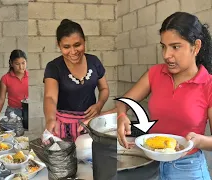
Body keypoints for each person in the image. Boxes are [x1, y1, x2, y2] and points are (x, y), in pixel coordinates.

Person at [117, 12, 212, 179]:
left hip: (187, 168)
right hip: (152, 165)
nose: (166, 55)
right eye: (163, 46)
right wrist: (122, 115)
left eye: (175, 47)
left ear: (196, 47)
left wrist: (197, 141)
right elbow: (125, 101)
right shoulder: (155, 73)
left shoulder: (209, 85)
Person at [43, 19, 110, 142]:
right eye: (66, 47)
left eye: (77, 45)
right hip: (63, 127)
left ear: (84, 41)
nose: (73, 52)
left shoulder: (94, 62)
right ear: (59, 46)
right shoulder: (54, 67)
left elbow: (104, 88)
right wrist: (50, 119)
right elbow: (50, 97)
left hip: (89, 123)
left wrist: (99, 105)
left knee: (90, 157)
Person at [0, 49, 28, 127]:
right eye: (17, 64)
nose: (21, 67)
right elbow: (1, 99)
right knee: (12, 135)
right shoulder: (5, 78)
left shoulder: (30, 77)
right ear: (11, 63)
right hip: (12, 113)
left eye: (23, 63)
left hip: (28, 112)